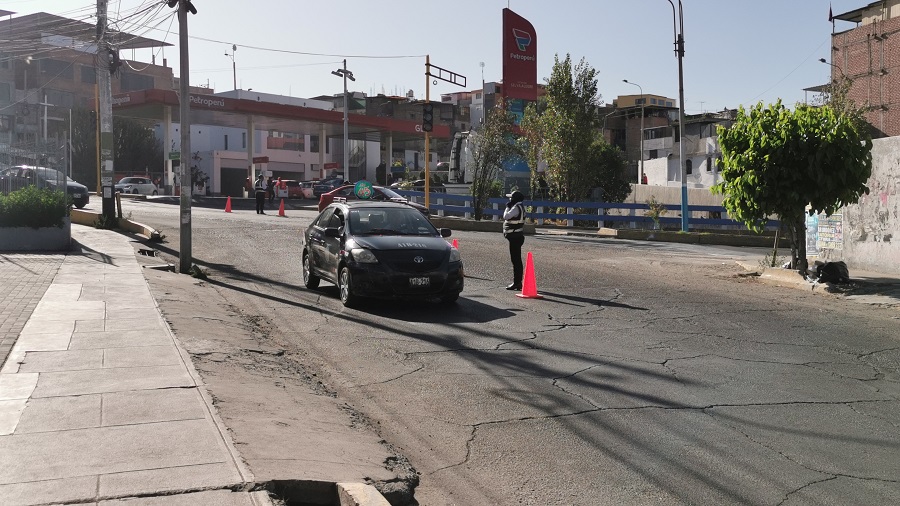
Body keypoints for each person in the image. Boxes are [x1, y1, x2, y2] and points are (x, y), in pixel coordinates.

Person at [502, 190, 526, 291]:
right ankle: (518, 282)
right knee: (517, 260)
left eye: (511, 198)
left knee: (516, 260)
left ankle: (517, 283)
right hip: (517, 236)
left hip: (515, 237)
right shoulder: (520, 207)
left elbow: (506, 216)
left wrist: (507, 207)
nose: (510, 199)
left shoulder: (516, 208)